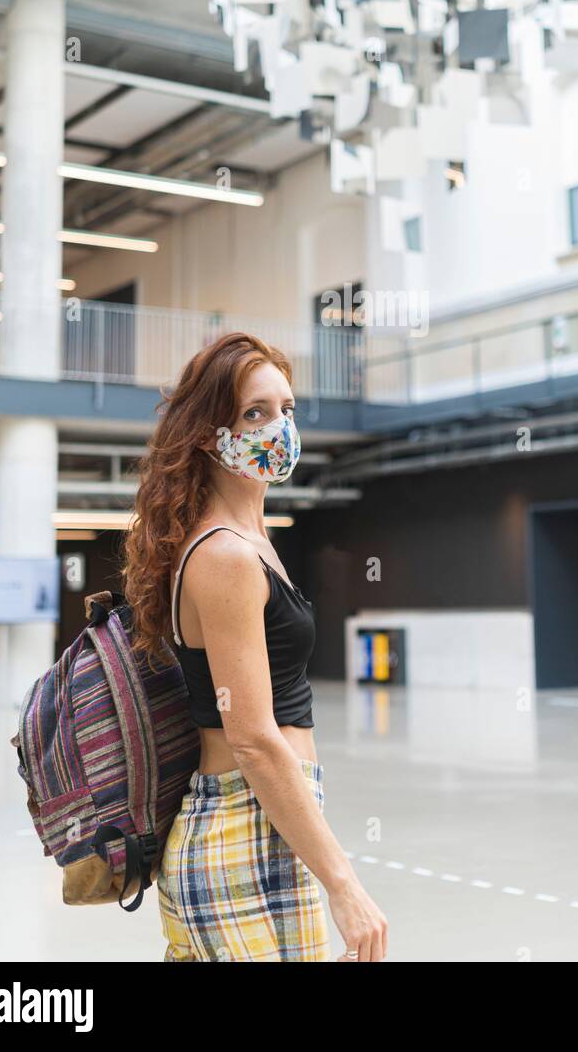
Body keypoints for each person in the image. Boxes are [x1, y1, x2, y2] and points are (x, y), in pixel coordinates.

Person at [123, 330, 388, 962]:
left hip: (270, 825)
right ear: (209, 433)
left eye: (287, 410)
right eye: (255, 413)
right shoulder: (225, 554)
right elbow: (253, 738)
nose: (280, 427)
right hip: (238, 834)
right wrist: (344, 884)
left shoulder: (251, 539)